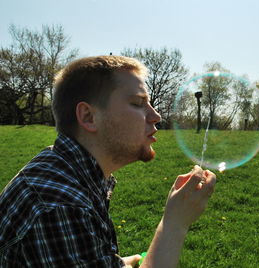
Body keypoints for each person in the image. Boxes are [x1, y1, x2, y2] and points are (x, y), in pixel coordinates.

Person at [0, 55, 216, 267]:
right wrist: (174, 225)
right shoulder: (59, 208)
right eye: (138, 103)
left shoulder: (64, 168)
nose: (156, 116)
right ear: (88, 116)